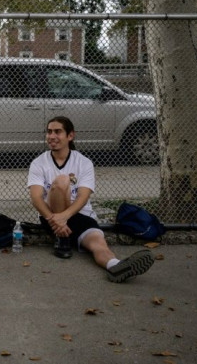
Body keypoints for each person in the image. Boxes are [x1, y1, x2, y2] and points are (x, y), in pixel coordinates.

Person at [27, 116, 155, 283]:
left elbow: (83, 197)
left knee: (99, 245)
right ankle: (62, 238)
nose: (52, 136)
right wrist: (54, 220)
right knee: (62, 181)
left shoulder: (84, 162)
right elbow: (36, 198)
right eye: (49, 132)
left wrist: (64, 218)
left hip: (80, 216)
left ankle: (115, 266)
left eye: (58, 132)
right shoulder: (39, 163)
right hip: (51, 217)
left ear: (70, 136)